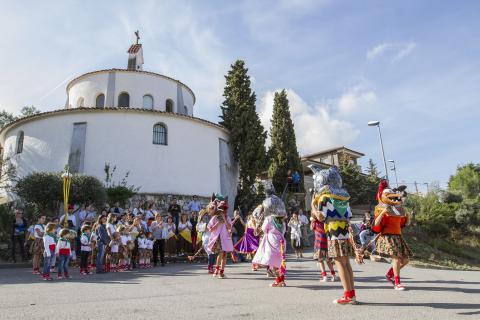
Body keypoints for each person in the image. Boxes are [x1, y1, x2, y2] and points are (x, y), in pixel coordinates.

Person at [310, 165, 358, 304]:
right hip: (344, 233)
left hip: (333, 233)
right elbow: (348, 216)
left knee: (339, 264)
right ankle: (352, 294)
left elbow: (319, 217)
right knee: (347, 263)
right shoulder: (343, 198)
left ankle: (347, 295)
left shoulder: (324, 198)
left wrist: (313, 203)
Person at [373, 183, 412, 291]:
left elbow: (404, 224)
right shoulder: (381, 208)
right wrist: (383, 213)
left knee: (405, 260)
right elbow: (375, 224)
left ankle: (390, 274)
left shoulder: (399, 210)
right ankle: (397, 283)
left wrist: (408, 217)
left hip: (398, 236)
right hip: (387, 236)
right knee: (396, 258)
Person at [252, 214, 287, 287]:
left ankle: (278, 281)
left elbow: (264, 229)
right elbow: (283, 231)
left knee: (273, 262)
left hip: (272, 241)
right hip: (281, 240)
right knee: (280, 261)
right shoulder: (282, 220)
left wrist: (259, 229)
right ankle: (282, 281)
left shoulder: (269, 218)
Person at [207, 197, 234, 279]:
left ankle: (221, 271)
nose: (223, 210)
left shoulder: (228, 218)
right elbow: (210, 228)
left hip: (225, 238)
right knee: (221, 253)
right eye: (222, 208)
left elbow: (230, 227)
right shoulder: (215, 218)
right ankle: (217, 269)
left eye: (225, 208)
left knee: (224, 255)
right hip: (218, 238)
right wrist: (218, 223)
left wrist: (225, 221)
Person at [311, 214, 336, 282]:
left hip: (319, 243)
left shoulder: (315, 223)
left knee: (320, 260)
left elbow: (311, 228)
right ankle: (333, 275)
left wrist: (312, 220)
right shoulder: (326, 221)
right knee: (328, 260)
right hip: (327, 242)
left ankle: (324, 276)